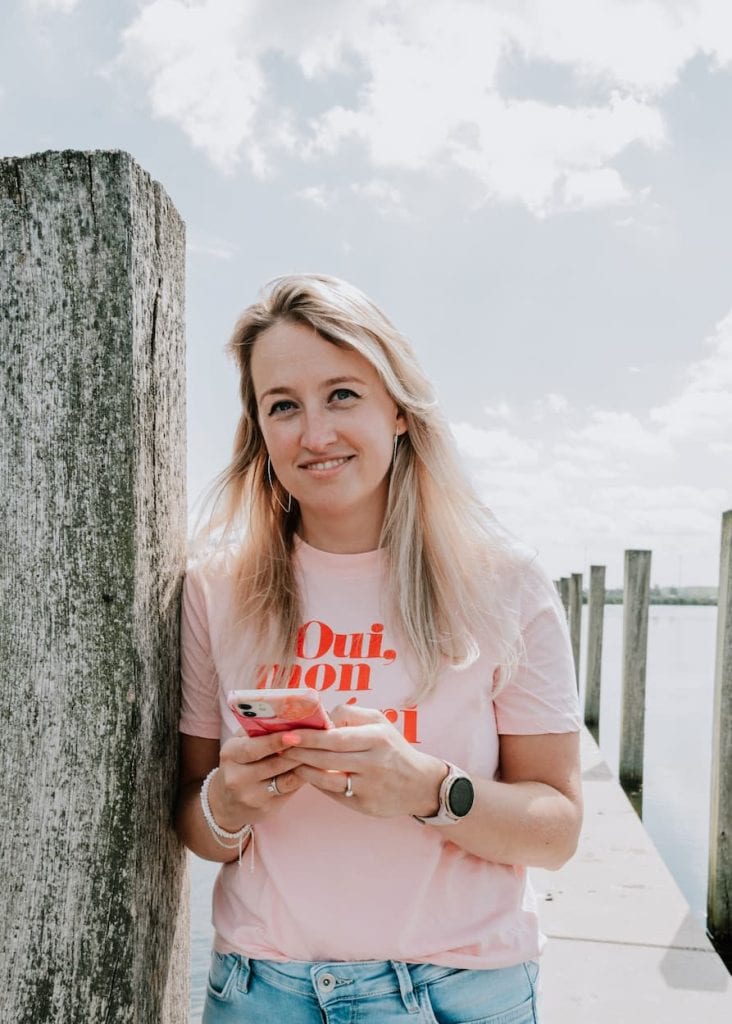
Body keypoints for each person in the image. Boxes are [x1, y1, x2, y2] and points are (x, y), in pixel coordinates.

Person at [176, 273, 583, 1024]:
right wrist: (230, 801)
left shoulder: (504, 582)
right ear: (259, 430)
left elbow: (556, 829)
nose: (315, 433)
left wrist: (430, 791)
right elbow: (198, 826)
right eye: (283, 406)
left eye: (342, 394)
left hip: (463, 991)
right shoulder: (215, 587)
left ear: (397, 410)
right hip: (262, 990)